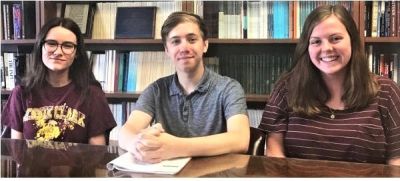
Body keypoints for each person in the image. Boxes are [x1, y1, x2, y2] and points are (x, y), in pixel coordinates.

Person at [259, 5, 400, 166]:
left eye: (335, 38)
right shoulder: (286, 88)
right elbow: (274, 149)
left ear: (352, 41)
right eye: (316, 41)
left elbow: (396, 161)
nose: (326, 48)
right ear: (307, 47)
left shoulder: (387, 91)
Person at [119, 11, 250, 163]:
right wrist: (138, 144)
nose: (184, 48)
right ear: (167, 50)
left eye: (192, 39)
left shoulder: (229, 88)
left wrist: (176, 147)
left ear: (205, 45)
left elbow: (240, 140)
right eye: (175, 41)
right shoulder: (156, 90)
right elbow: (127, 131)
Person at [1, 17, 116, 145]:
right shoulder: (21, 92)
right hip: (32, 165)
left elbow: (97, 154)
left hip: (79, 165)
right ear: (41, 47)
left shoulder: (92, 94)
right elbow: (17, 151)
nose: (58, 52)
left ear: (76, 53)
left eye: (67, 46)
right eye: (51, 43)